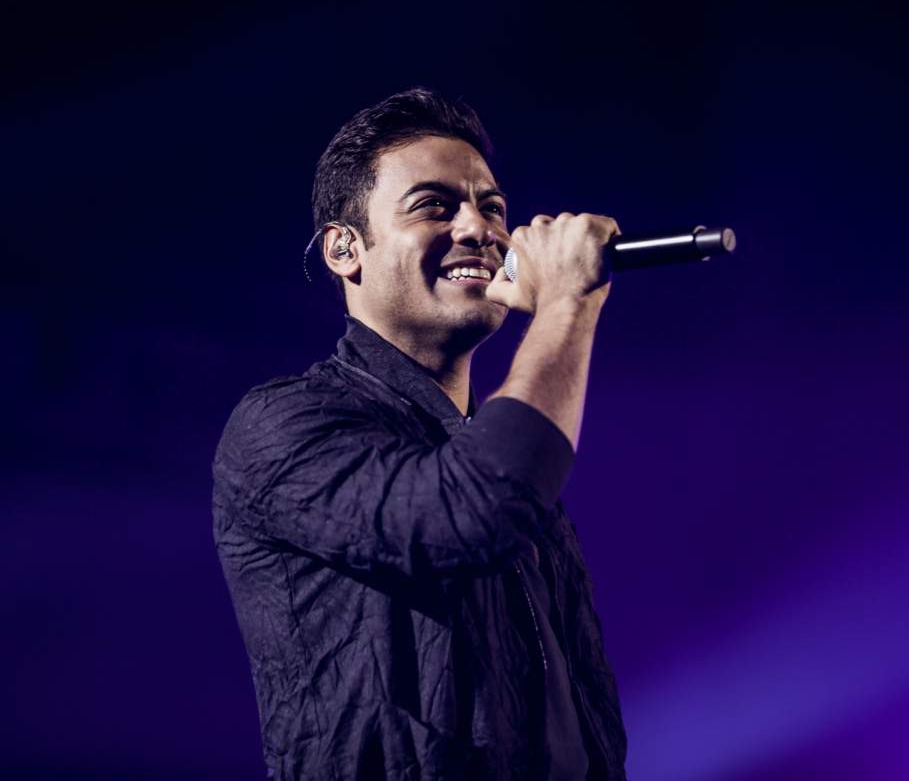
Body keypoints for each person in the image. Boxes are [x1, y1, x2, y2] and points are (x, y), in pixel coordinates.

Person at [212, 88, 627, 780]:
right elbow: (471, 509)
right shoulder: (281, 426)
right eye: (435, 205)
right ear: (345, 249)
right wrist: (567, 302)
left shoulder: (503, 455)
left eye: (492, 207)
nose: (480, 229)